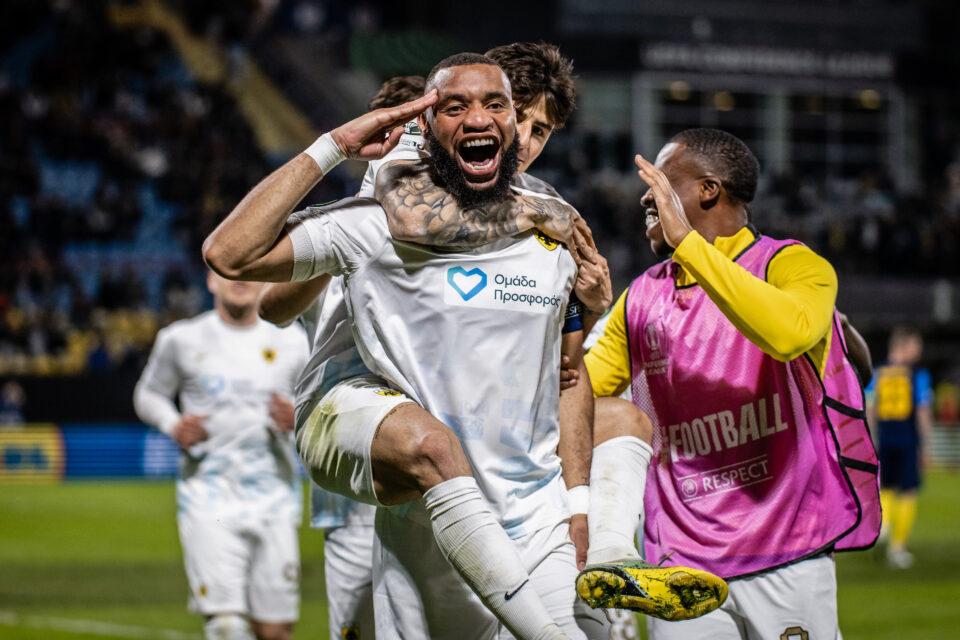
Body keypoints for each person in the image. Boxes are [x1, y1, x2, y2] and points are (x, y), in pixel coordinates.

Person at [204, 53, 722, 639]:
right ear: (428, 125)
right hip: (366, 423)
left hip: (523, 502)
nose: (523, 139)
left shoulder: (551, 233)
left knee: (621, 420)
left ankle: (612, 556)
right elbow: (245, 266)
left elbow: (566, 374)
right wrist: (337, 148)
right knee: (430, 449)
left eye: (534, 127)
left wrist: (578, 504)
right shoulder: (393, 200)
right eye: (463, 107)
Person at [580, 129, 881, 639]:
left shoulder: (790, 265)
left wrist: (689, 246)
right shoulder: (641, 299)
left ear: (708, 190)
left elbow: (788, 334)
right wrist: (578, 316)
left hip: (787, 550)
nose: (646, 197)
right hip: (680, 566)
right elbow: (578, 399)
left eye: (660, 182)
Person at [262, 74, 427, 640]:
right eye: (395, 132)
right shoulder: (343, 225)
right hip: (351, 492)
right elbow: (272, 307)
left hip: (427, 474)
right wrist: (349, 239)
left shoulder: (447, 234)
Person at [133, 273, 308, 640]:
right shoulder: (181, 339)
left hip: (275, 500)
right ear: (211, 280)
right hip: (208, 499)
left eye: (250, 270)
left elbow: (321, 402)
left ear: (266, 280)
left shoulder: (294, 341)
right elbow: (148, 394)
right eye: (230, 269)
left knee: (275, 631)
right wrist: (172, 424)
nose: (240, 278)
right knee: (226, 626)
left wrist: (300, 417)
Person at [867, 326, 933, 569]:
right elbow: (923, 411)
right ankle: (897, 548)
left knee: (885, 487)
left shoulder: (877, 373)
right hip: (908, 440)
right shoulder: (917, 375)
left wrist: (872, 439)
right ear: (904, 346)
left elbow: (869, 409)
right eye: (916, 345)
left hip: (884, 440)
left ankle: (883, 525)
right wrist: (926, 445)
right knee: (908, 492)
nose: (919, 350)